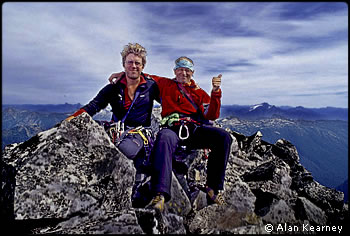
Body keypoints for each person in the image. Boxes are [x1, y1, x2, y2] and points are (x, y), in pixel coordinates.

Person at [108, 56, 233, 213]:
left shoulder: (199, 93)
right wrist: (122, 74)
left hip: (192, 130)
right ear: (175, 71)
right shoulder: (165, 83)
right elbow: (142, 75)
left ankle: (213, 188)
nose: (184, 73)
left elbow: (211, 115)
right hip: (172, 129)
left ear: (192, 73)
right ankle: (160, 194)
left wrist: (215, 92)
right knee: (164, 138)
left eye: (187, 70)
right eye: (180, 69)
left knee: (224, 137)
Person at [65, 43, 160, 206]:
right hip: (117, 129)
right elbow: (93, 106)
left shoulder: (151, 87)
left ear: (143, 66)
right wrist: (70, 120)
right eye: (130, 62)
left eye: (137, 63)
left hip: (140, 132)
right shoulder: (113, 89)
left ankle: (127, 190)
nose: (134, 66)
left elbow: (171, 97)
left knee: (124, 152)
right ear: (123, 64)